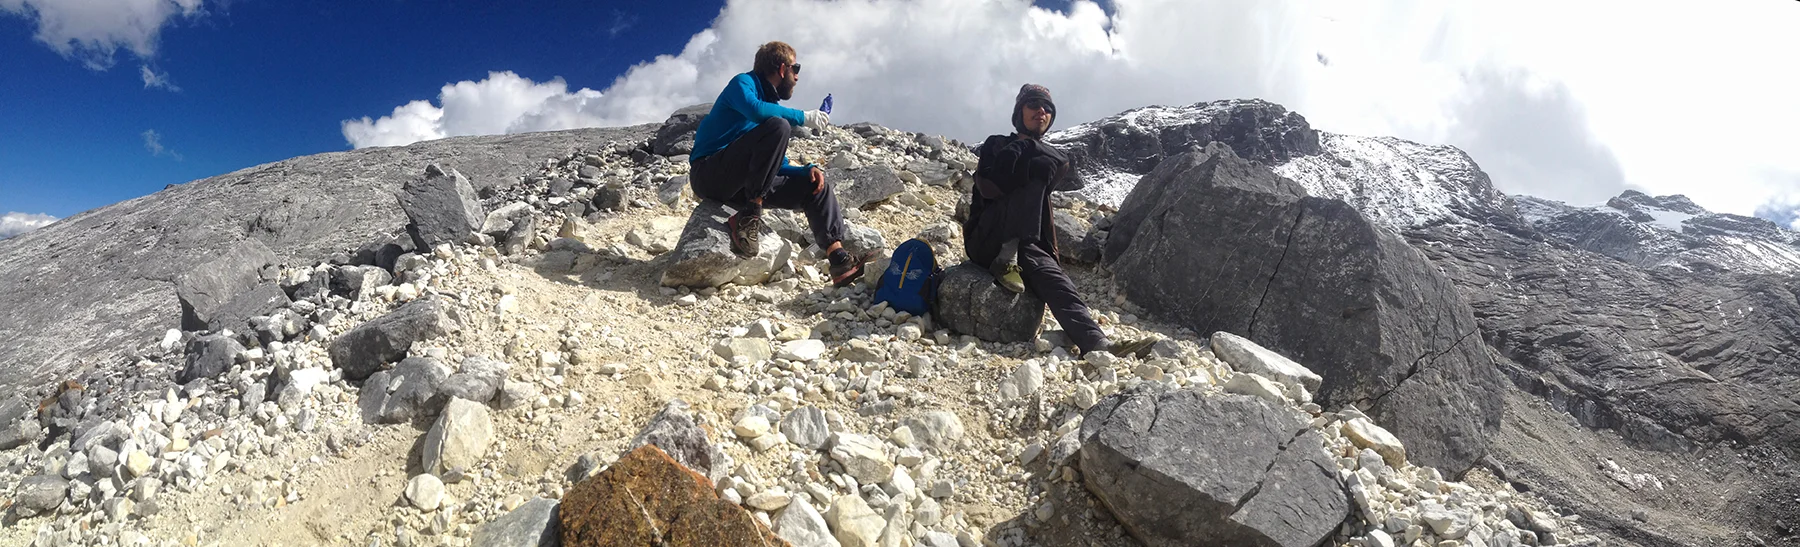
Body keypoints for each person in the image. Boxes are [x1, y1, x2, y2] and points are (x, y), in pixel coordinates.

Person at [964, 84, 1153, 357]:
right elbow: (989, 188)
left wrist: (1028, 150)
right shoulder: (996, 144)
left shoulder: (1054, 158)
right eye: (1033, 105)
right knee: (1035, 171)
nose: (1041, 111)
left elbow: (1058, 163)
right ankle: (1006, 256)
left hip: (1028, 243)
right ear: (1019, 112)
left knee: (1058, 282)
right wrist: (1024, 149)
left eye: (1047, 108)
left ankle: (1098, 344)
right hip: (988, 238)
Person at [688, 41, 869, 286]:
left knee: (814, 183)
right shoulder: (742, 84)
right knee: (778, 124)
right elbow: (757, 111)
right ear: (783, 69)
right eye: (796, 69)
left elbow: (770, 161)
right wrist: (804, 117)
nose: (797, 77)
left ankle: (839, 260)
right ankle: (749, 217)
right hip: (709, 175)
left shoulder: (771, 108)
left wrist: (805, 170)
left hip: (742, 184)